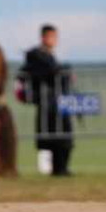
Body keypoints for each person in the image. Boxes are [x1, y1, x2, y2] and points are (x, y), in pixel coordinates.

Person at [18, 24, 74, 176]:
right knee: (57, 136)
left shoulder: (47, 55)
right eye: (52, 37)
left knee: (63, 135)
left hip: (57, 100)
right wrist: (65, 71)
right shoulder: (37, 55)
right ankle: (59, 169)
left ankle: (61, 168)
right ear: (44, 37)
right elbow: (52, 71)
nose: (55, 40)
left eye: (56, 37)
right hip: (48, 102)